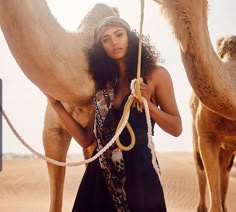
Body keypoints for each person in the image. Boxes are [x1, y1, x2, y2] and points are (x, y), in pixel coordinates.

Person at [47, 16, 182, 212]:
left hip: (141, 174)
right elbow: (86, 140)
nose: (114, 42)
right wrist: (57, 106)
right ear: (101, 47)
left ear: (130, 37)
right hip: (100, 176)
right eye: (106, 39)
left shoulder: (155, 76)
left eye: (119, 35)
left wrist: (149, 106)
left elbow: (176, 128)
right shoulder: (102, 86)